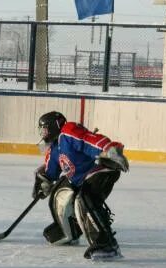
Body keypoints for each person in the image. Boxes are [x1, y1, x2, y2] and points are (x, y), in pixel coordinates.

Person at [33, 111, 129, 260]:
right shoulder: (54, 148)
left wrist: (109, 149)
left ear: (53, 126)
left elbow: (87, 140)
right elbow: (51, 171)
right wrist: (43, 181)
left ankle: (107, 245)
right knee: (59, 192)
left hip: (100, 168)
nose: (43, 133)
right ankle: (69, 229)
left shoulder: (68, 131)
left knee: (86, 198)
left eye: (44, 129)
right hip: (81, 178)